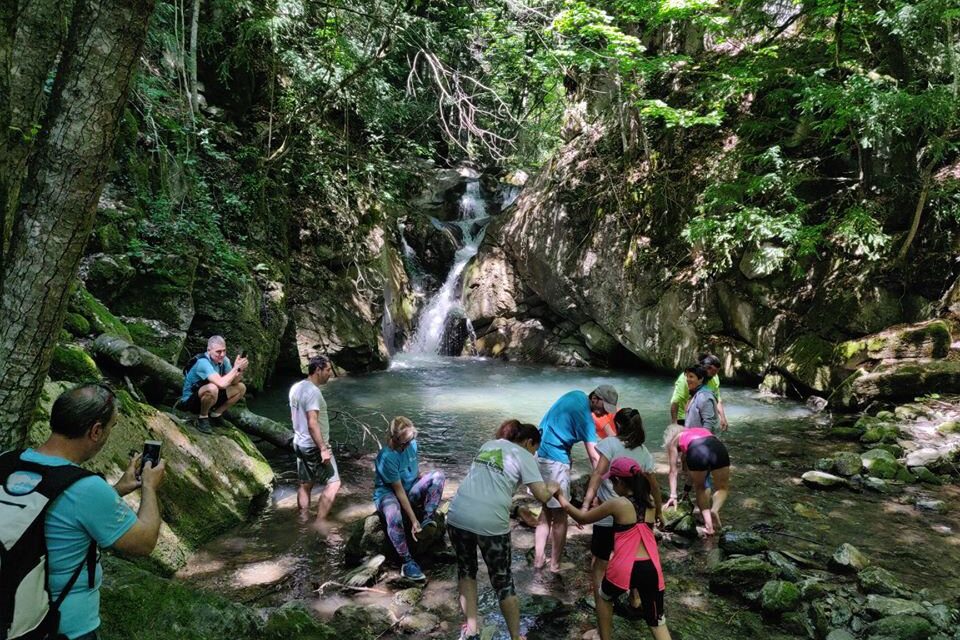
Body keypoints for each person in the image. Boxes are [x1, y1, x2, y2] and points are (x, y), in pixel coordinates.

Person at [0, 383, 165, 640]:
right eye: (111, 427)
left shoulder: (7, 460)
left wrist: (117, 489)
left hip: (9, 617)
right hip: (63, 627)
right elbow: (143, 543)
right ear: (96, 431)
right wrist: (151, 488)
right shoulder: (87, 489)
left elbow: (55, 511)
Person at [447, 420, 560, 640]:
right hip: (490, 523)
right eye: (535, 449)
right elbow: (542, 495)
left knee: (466, 571)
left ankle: (470, 631)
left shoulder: (489, 444)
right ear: (529, 442)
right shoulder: (524, 455)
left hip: (457, 514)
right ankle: (516, 636)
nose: (534, 454)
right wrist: (554, 486)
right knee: (503, 582)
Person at [557, 458, 672, 640]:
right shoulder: (650, 502)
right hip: (651, 568)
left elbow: (582, 518)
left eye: (612, 481)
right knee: (657, 622)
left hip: (625, 567)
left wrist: (560, 497)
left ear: (619, 481)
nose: (611, 485)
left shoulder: (618, 503)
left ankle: (605, 637)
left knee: (604, 597)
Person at [580, 409, 661, 637]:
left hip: (609, 515)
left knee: (599, 565)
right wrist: (660, 511)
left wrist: (587, 502)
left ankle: (602, 618)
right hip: (636, 518)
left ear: (617, 425)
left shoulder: (609, 444)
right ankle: (635, 599)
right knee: (634, 557)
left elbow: (597, 474)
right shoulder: (644, 452)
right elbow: (653, 485)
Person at [533, 386, 614, 572]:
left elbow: (557, 424)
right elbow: (595, 457)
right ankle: (554, 565)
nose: (602, 413)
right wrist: (601, 487)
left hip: (539, 453)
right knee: (561, 516)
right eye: (603, 407)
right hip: (554, 461)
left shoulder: (576, 395)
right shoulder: (585, 417)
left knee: (546, 510)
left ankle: (539, 560)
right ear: (595, 398)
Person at [373, 416, 445, 582]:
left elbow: (413, 469)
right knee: (394, 512)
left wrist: (423, 483)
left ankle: (428, 519)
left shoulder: (412, 444)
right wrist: (413, 520)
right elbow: (398, 492)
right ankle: (407, 561)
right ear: (395, 439)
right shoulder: (386, 457)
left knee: (438, 476)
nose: (408, 444)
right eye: (404, 442)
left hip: (410, 490)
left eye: (411, 440)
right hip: (388, 495)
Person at [289, 354, 340, 530]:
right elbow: (312, 423)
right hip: (313, 446)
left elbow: (294, 416)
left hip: (299, 443)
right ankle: (320, 522)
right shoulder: (313, 392)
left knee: (305, 485)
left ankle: (303, 520)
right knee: (334, 483)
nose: (329, 374)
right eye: (327, 370)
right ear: (317, 370)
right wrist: (323, 449)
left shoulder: (296, 388)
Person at [662, 424, 730, 535]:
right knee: (722, 488)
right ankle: (715, 509)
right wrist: (686, 489)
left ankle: (709, 527)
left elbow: (673, 472)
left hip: (696, 452)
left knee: (700, 488)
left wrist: (673, 495)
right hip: (718, 447)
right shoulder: (700, 430)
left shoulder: (675, 440)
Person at [180, 335, 249, 434]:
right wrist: (235, 368)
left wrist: (240, 369)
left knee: (241, 388)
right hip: (191, 401)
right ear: (209, 350)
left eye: (224, 351)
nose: (222, 354)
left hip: (211, 396)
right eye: (218, 351)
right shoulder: (202, 362)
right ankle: (202, 418)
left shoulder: (224, 360)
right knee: (213, 388)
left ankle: (216, 415)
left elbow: (234, 382)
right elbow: (221, 384)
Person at [669, 354, 728, 431]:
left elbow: (717, 399)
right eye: (712, 371)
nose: (714, 374)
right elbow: (675, 401)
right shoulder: (686, 379)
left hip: (702, 415)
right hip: (683, 416)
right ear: (703, 367)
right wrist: (674, 423)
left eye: (716, 372)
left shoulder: (714, 378)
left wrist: (723, 418)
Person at [681, 364, 719, 432]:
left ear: (701, 379)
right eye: (687, 376)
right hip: (692, 438)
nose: (687, 379)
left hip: (700, 440)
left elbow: (708, 424)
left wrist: (702, 442)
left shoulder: (704, 396)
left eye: (691, 376)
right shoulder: (695, 393)